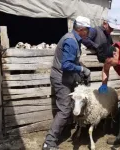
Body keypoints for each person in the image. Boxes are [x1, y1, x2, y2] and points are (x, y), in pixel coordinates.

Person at [42, 16, 91, 150]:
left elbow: (71, 62)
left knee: (68, 106)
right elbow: (66, 65)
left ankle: (63, 131)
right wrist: (81, 69)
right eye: (87, 29)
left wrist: (80, 72)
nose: (88, 32)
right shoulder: (71, 41)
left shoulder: (74, 39)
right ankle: (49, 143)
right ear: (80, 29)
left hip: (66, 78)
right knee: (64, 109)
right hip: (61, 78)